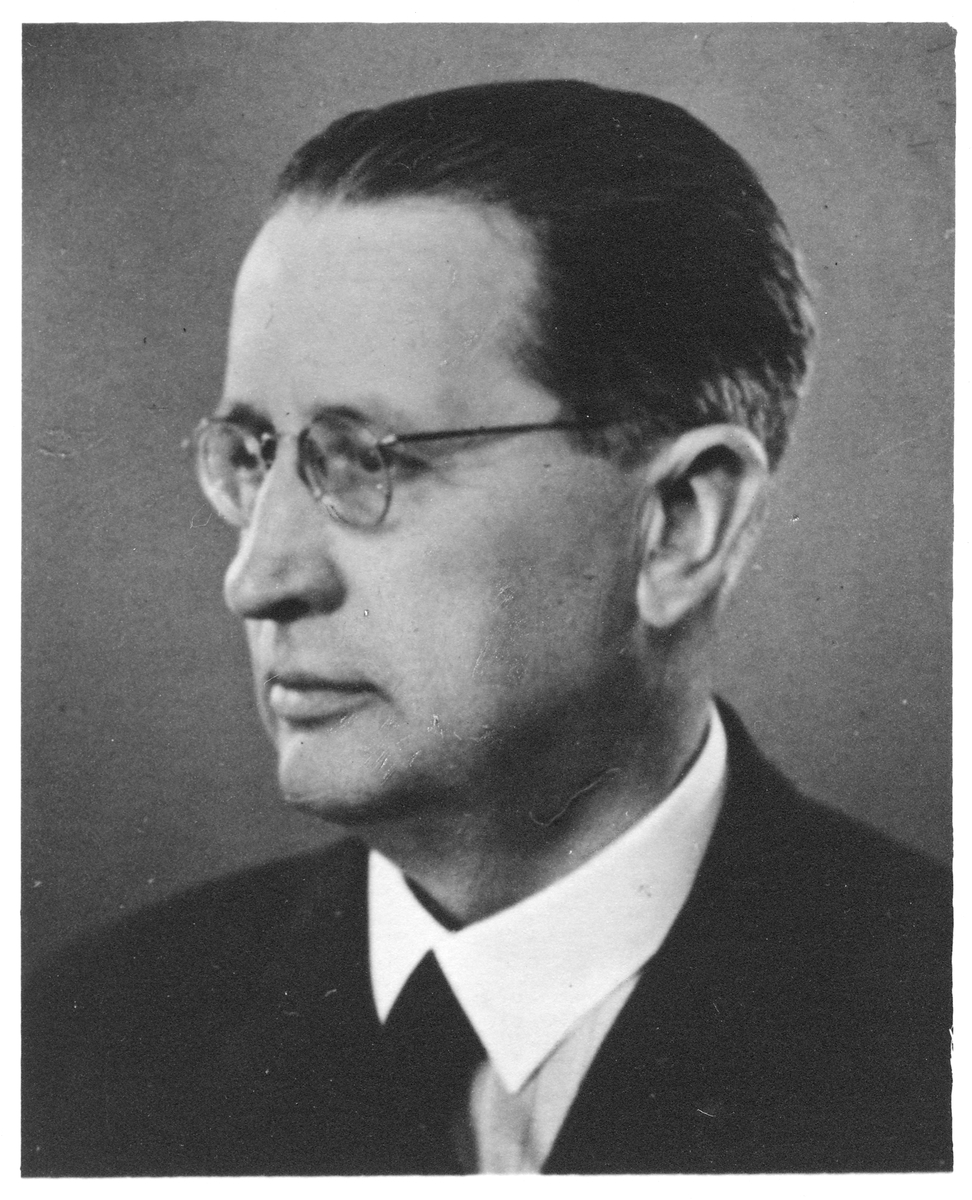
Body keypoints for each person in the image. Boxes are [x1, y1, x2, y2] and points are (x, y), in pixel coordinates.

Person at [23, 79, 951, 1176]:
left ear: (680, 524)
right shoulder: (86, 1045)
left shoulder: (933, 1033)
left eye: (369, 460)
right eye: (254, 456)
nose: (257, 578)